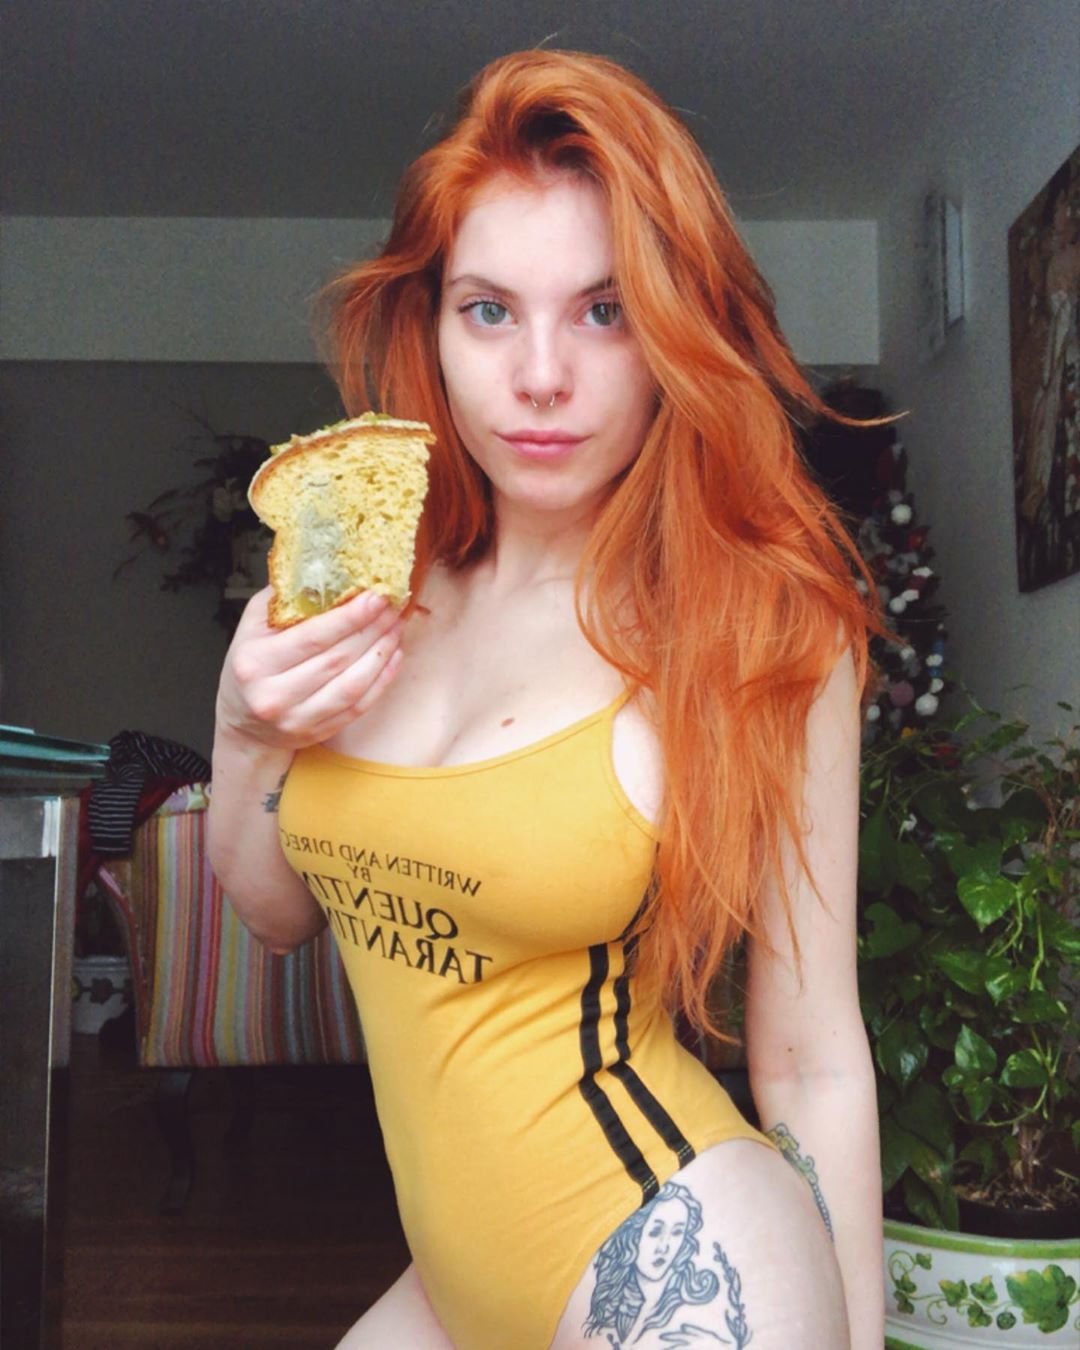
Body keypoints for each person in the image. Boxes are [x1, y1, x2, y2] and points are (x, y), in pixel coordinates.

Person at [208, 49, 889, 1350]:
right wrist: (245, 732)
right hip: (453, 1287)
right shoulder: (373, 586)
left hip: (679, 1262)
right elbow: (276, 912)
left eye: (603, 311)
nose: (539, 375)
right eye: (489, 311)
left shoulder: (760, 632)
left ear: (677, 331)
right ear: (431, 325)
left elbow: (809, 1058)